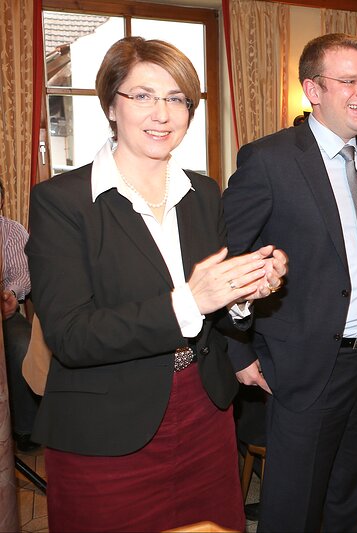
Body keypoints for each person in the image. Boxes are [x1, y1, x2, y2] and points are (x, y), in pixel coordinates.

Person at [25, 37, 286, 532]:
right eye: (142, 95)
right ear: (109, 105)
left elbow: (219, 312)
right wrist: (191, 300)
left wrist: (245, 293)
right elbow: (70, 336)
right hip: (106, 427)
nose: (161, 113)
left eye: (176, 98)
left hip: (204, 411)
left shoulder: (204, 192)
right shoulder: (62, 201)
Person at [223, 33, 357, 532]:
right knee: (294, 509)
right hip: (305, 365)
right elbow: (227, 259)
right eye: (349, 81)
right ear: (312, 90)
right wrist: (239, 352)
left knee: (354, 498)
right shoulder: (269, 160)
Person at [0, 181, 36, 452]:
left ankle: (25, 428)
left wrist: (11, 294)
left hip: (5, 317)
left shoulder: (11, 231)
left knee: (23, 348)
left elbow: (23, 273)